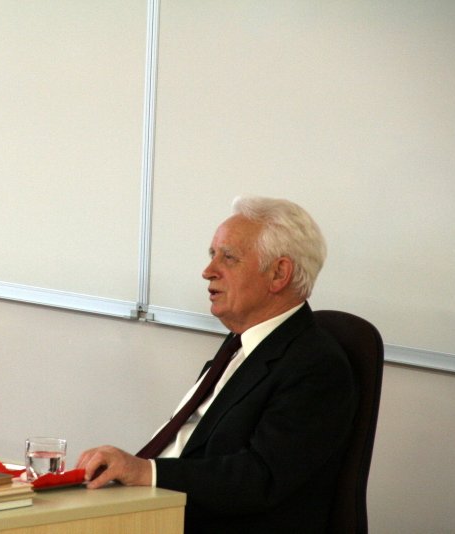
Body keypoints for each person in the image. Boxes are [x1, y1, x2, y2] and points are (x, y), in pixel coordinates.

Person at [76, 196, 358, 533]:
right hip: (152, 511)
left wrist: (144, 472)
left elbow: (259, 477)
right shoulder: (240, 345)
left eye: (229, 257)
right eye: (212, 255)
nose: (208, 271)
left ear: (279, 273)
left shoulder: (316, 366)